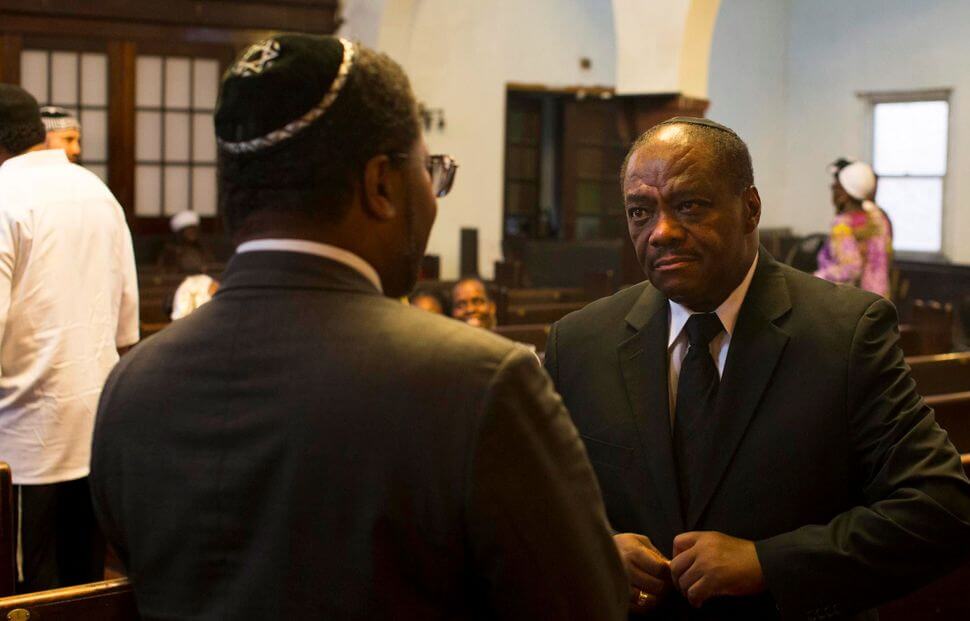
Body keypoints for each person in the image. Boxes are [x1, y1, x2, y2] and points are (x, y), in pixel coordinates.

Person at [90, 35, 626, 620]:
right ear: (380, 184)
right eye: (431, 171)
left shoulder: (131, 385)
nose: (435, 195)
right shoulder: (477, 382)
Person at [544, 117, 970, 619]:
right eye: (641, 211)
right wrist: (594, 549)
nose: (660, 232)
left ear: (750, 208)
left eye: (689, 205)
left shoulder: (845, 333)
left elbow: (942, 507)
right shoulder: (580, 341)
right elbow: (534, 506)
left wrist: (769, 562)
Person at [0, 85, 139, 591]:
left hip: (21, 446)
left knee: (22, 594)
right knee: (84, 588)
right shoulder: (98, 193)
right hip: (95, 435)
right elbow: (127, 329)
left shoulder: (3, 197)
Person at [815, 158, 892, 297]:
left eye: (835, 187)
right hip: (882, 299)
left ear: (844, 194)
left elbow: (851, 268)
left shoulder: (843, 225)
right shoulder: (880, 219)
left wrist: (814, 278)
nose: (833, 191)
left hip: (860, 304)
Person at [156, 209, 214, 274]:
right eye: (189, 229)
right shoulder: (171, 251)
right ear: (180, 233)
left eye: (194, 229)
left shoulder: (203, 248)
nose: (193, 232)